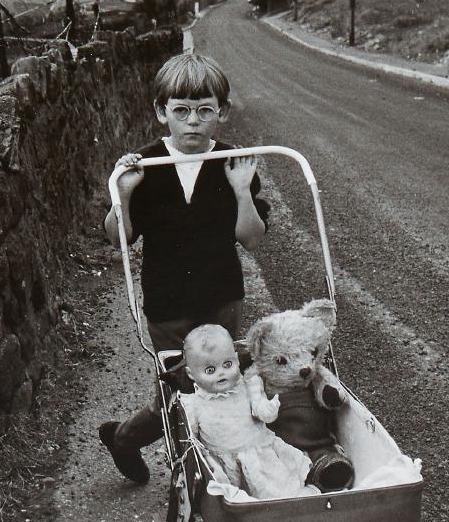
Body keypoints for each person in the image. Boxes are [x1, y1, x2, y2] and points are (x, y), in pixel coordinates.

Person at [98, 52, 269, 484]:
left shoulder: (234, 163)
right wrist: (124, 194)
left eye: (204, 110)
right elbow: (119, 238)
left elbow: (252, 238)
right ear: (162, 112)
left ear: (221, 112)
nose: (193, 121)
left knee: (226, 385)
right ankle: (131, 441)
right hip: (168, 301)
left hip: (223, 295)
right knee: (183, 392)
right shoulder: (144, 164)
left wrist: (241, 191)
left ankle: (222, 471)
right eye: (181, 111)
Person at [178, 324, 314, 499]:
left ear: (236, 359)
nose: (221, 373)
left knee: (278, 488)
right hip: (223, 463)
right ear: (191, 374)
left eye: (227, 364)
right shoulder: (194, 403)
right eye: (210, 370)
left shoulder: (249, 385)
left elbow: (263, 413)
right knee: (227, 496)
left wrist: (269, 408)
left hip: (258, 455)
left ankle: (296, 498)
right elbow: (191, 437)